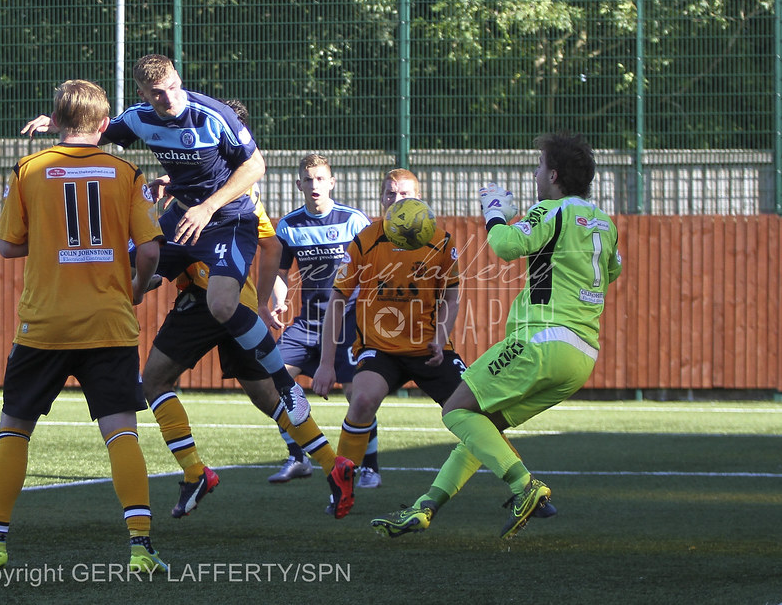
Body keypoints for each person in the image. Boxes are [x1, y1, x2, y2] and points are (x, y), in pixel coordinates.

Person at [0, 79, 167, 571]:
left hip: (45, 325)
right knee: (122, 434)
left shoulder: (29, 168)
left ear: (56, 119)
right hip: (109, 321)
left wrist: (51, 242)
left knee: (14, 432)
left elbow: (6, 246)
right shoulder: (126, 172)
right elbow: (150, 250)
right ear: (104, 125)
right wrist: (134, 287)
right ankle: (140, 547)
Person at [20, 54, 308, 430]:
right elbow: (94, 129)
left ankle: (286, 385)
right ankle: (94, 361)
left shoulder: (214, 115)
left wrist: (207, 207)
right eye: (158, 93)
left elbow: (255, 166)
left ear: (179, 79)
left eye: (173, 87)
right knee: (116, 271)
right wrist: (57, 120)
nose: (169, 98)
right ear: (143, 93)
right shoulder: (139, 118)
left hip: (227, 220)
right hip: (182, 217)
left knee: (222, 305)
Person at [370, 130, 621, 540]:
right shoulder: (604, 223)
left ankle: (525, 487)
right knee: (481, 429)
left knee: (455, 410)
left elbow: (504, 246)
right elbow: (613, 270)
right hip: (581, 357)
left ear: (554, 174)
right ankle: (425, 507)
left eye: (540, 167)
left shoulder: (550, 211)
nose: (536, 173)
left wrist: (495, 214)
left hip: (541, 341)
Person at [142, 100, 338, 518]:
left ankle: (196, 472)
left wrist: (147, 275)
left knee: (154, 382)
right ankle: (333, 465)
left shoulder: (229, 193)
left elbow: (270, 245)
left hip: (207, 302)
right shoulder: (238, 190)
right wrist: (262, 300)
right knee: (268, 398)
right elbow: (268, 244)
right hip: (237, 305)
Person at [311, 169, 465, 518]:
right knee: (362, 399)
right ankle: (342, 486)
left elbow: (452, 298)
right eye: (390, 194)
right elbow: (337, 299)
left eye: (405, 195)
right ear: (381, 200)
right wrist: (325, 362)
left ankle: (523, 487)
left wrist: (440, 341)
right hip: (379, 349)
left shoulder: (441, 240)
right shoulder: (366, 239)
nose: (397, 201)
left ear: (420, 199)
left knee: (472, 413)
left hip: (430, 350)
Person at [266, 154, 373, 485]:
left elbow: (372, 270)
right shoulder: (289, 225)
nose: (314, 185)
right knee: (272, 382)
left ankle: (368, 466)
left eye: (320, 179)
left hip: (348, 321)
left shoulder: (354, 221)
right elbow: (280, 272)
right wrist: (279, 297)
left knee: (359, 394)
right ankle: (298, 456)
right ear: (299, 184)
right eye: (308, 180)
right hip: (308, 322)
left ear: (332, 182)